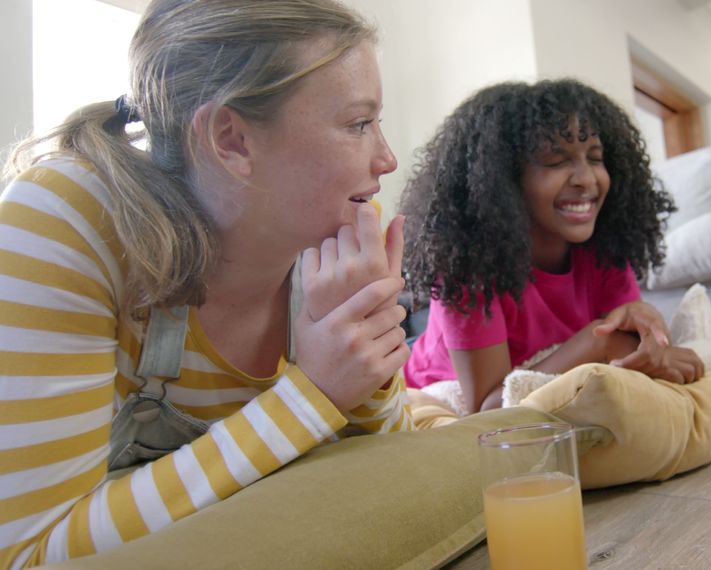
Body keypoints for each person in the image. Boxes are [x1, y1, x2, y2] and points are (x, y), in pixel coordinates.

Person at [0, 1, 412, 567]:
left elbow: (402, 491)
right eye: (359, 124)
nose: (386, 159)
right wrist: (312, 394)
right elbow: (30, 552)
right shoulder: (70, 218)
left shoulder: (322, 239)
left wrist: (368, 352)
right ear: (232, 139)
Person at [399, 79, 705, 415]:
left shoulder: (603, 253)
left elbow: (628, 347)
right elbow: (488, 409)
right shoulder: (468, 270)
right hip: (430, 388)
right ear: (504, 180)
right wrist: (598, 341)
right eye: (556, 161)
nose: (586, 179)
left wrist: (647, 326)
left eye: (596, 158)